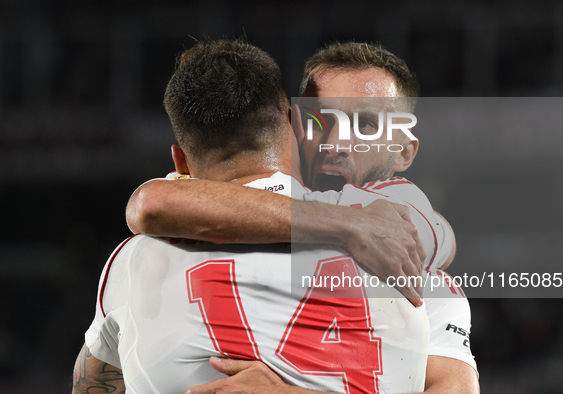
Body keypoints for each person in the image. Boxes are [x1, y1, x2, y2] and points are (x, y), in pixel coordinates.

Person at [74, 40, 444, 394]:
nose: (336, 143)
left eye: (364, 126)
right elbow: (152, 202)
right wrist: (351, 224)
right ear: (296, 125)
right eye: (322, 121)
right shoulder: (388, 231)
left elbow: (153, 202)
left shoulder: (130, 261)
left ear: (180, 162)